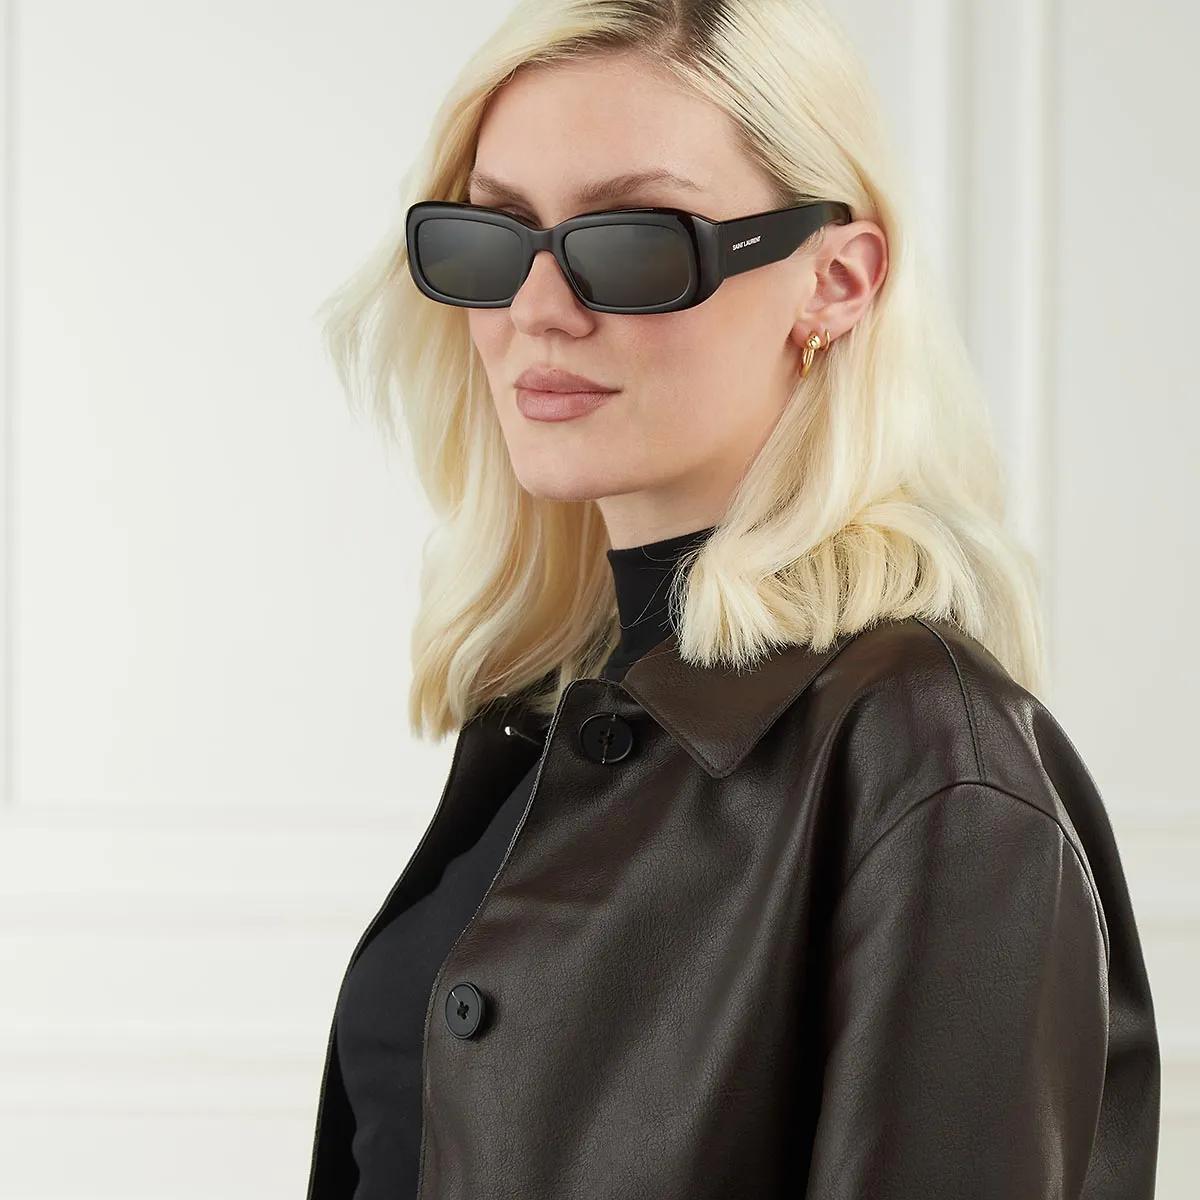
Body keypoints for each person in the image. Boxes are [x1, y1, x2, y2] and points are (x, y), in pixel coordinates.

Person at [305, 2, 1161, 1197]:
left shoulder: (930, 764)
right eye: (494, 239)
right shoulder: (551, 713)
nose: (538, 311)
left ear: (836, 282)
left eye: (635, 242)